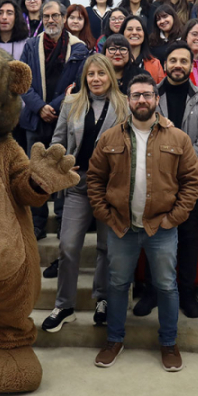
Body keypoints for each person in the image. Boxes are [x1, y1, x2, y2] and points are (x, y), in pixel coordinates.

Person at [88, 73, 198, 372]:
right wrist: (107, 215)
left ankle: (168, 343)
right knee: (116, 284)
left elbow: (192, 183)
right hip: (121, 227)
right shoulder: (110, 138)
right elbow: (95, 181)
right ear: (128, 100)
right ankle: (114, 340)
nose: (141, 100)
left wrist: (173, 218)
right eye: (136, 95)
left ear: (156, 99)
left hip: (161, 228)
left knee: (165, 286)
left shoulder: (178, 138)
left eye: (147, 95)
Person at [41, 54, 128, 332]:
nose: (96, 79)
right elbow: (57, 141)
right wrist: (64, 160)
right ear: (84, 77)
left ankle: (101, 299)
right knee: (68, 246)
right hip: (77, 185)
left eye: (101, 74)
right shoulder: (71, 103)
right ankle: (64, 304)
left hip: (110, 187)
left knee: (106, 247)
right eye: (91, 75)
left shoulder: (124, 104)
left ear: (110, 76)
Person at [129, 43, 198, 320]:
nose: (178, 65)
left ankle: (186, 292)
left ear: (192, 65)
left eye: (184, 61)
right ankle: (153, 292)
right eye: (173, 60)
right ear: (165, 65)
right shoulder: (151, 94)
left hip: (191, 182)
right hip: (156, 180)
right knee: (155, 237)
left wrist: (180, 163)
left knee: (189, 239)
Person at [20, 0, 89, 238]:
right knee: (36, 172)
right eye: (46, 16)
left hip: (65, 117)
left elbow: (79, 84)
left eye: (55, 16)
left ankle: (62, 221)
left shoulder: (79, 47)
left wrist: (54, 106)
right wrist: (40, 107)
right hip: (35, 119)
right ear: (41, 19)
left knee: (61, 170)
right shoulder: (31, 45)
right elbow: (23, 81)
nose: (51, 20)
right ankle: (37, 224)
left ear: (63, 18)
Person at [122, 15, 164, 83]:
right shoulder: (115, 61)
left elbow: (160, 90)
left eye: (138, 29)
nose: (134, 33)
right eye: (130, 29)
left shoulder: (155, 64)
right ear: (122, 33)